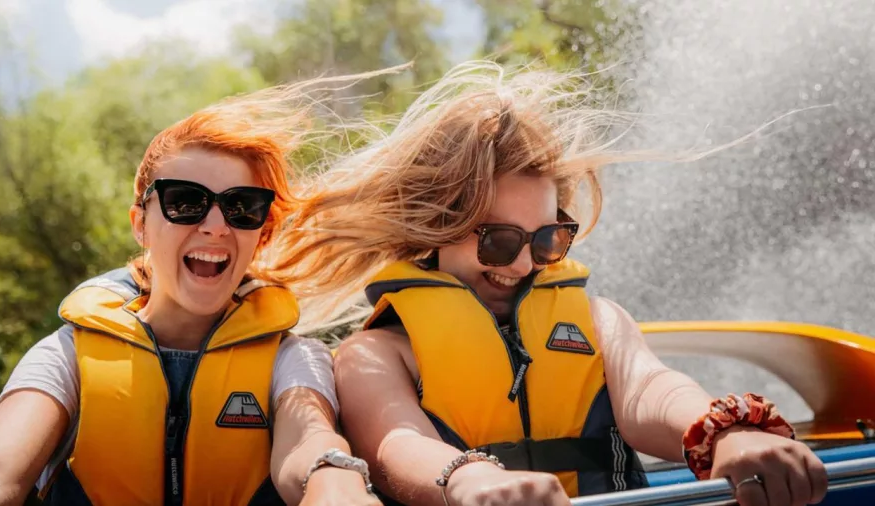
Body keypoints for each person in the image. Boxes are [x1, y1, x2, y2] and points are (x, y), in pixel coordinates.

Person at [270, 61, 829, 506]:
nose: (520, 265)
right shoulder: (374, 353)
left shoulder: (598, 320)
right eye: (497, 241)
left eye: (546, 242)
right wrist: (467, 479)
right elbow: (395, 446)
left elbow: (651, 391)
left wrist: (723, 432)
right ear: (437, 228)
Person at [0, 76, 381, 506]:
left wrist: (334, 480)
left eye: (242, 207)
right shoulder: (66, 355)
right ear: (140, 225)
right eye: (185, 202)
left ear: (260, 236)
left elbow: (309, 444)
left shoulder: (293, 358)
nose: (215, 225)